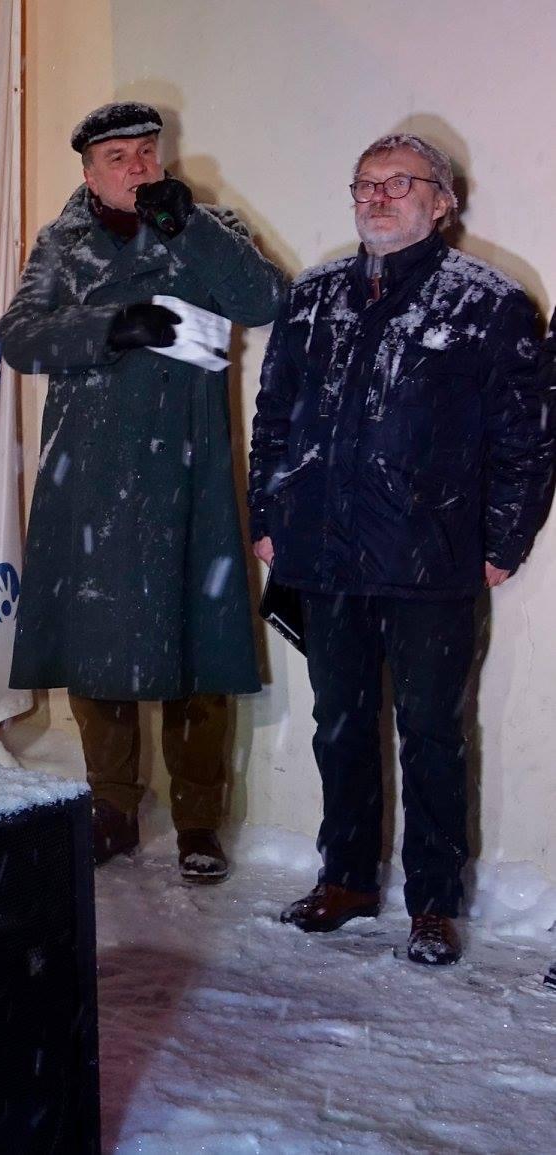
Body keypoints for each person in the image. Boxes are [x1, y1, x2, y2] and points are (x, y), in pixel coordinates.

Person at [249, 132, 554, 966]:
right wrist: (266, 515)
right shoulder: (312, 297)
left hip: (433, 559)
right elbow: (273, 418)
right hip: (324, 552)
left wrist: (502, 541)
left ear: (441, 202)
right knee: (339, 725)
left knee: (431, 733)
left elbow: (526, 437)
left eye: (398, 183)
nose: (376, 197)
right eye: (364, 184)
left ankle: (432, 903)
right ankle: (345, 879)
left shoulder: (488, 304)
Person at [0, 101, 285, 883]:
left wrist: (187, 228)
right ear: (88, 171)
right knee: (97, 647)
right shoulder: (60, 243)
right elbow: (17, 339)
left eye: (146, 151)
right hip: (89, 475)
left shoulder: (207, 225)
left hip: (188, 471)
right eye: (117, 156)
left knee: (197, 647)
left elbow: (265, 301)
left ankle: (198, 820)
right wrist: (109, 329)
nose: (137, 167)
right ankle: (111, 808)